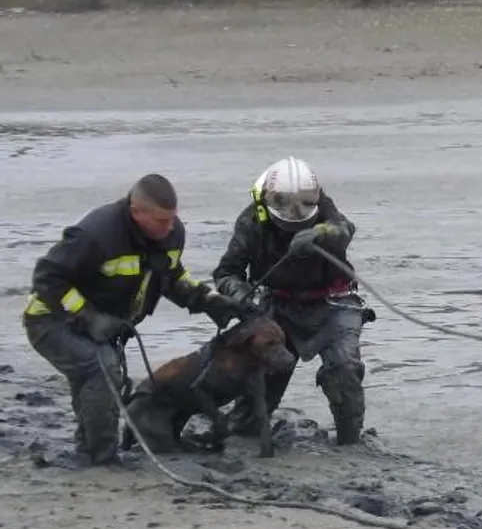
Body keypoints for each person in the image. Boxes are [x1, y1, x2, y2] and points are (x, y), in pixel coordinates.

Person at [22, 174, 252, 468]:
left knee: (97, 375)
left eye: (172, 220)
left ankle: (89, 446)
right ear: (136, 212)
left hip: (105, 325)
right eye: (160, 222)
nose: (169, 228)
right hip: (50, 320)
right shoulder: (96, 234)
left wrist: (208, 301)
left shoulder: (170, 234)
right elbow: (46, 277)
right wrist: (88, 316)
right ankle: (98, 458)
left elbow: (170, 277)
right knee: (101, 368)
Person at [212, 156, 370, 447]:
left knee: (344, 370)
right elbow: (226, 273)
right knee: (258, 392)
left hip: (334, 304)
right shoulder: (250, 222)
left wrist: (319, 234)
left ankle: (351, 445)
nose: (295, 220)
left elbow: (345, 229)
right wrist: (243, 297)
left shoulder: (322, 206)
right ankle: (245, 428)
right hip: (279, 307)